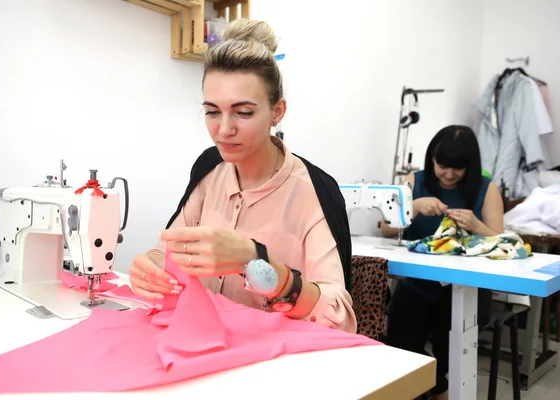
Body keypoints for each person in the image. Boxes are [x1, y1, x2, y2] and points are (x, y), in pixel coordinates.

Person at [128, 19, 356, 334]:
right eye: (211, 112)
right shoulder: (209, 169)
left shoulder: (315, 191)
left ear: (277, 111)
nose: (224, 130)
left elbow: (340, 318)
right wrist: (151, 264)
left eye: (244, 112)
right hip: (200, 347)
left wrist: (257, 261)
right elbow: (169, 249)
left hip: (275, 363)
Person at [380, 125, 504, 400]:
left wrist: (476, 225)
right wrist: (412, 207)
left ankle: (443, 386)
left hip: (465, 286)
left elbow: (500, 240)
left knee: (451, 343)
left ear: (470, 166)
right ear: (432, 159)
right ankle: (439, 387)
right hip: (418, 283)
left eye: (457, 168)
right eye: (442, 166)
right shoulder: (415, 181)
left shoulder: (486, 189)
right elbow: (385, 229)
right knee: (399, 342)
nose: (448, 174)